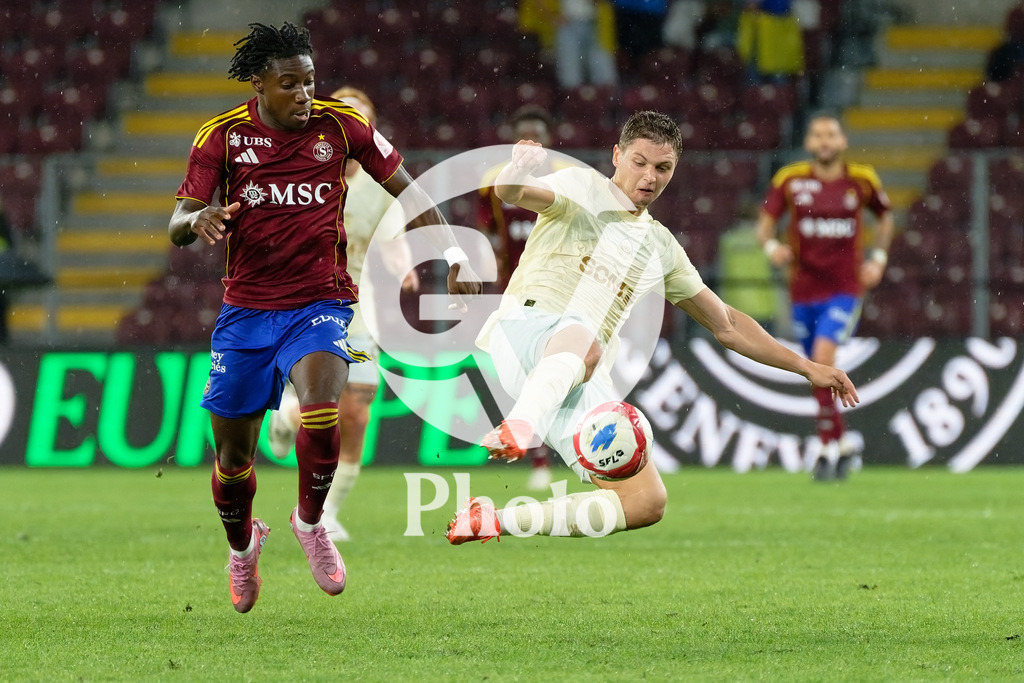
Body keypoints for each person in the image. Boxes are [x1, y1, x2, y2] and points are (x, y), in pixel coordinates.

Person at [168, 22, 480, 612]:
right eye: (289, 84)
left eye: (309, 81)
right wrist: (197, 222)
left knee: (321, 411)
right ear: (259, 83)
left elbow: (410, 189)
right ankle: (242, 549)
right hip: (247, 312)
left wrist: (457, 252)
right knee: (233, 462)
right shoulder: (222, 136)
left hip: (322, 301)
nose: (304, 93)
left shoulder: (341, 126)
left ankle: (310, 523)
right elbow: (178, 222)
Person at [446, 111, 858, 544]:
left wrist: (806, 367)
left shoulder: (660, 246)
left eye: (663, 168)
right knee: (585, 339)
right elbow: (513, 192)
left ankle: (492, 521)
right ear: (616, 155)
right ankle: (521, 423)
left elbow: (728, 324)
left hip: (577, 374)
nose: (649, 176)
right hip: (525, 331)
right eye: (639, 162)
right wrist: (516, 168)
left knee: (645, 502)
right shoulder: (579, 186)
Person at [267, 86, 419, 541]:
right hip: (307, 299)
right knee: (324, 408)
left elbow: (393, 236)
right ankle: (287, 415)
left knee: (355, 415)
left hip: (359, 302)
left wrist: (403, 261)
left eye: (363, 117)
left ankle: (324, 513)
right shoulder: (301, 169)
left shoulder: (380, 184)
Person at [756, 112, 893, 481]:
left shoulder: (861, 180)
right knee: (816, 371)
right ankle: (844, 442)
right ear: (809, 143)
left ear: (843, 141)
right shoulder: (790, 180)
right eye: (818, 134)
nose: (825, 140)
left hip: (845, 289)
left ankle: (826, 446)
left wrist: (878, 259)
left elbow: (885, 218)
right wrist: (772, 249)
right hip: (802, 290)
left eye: (831, 134)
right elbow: (765, 225)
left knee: (821, 358)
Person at [477, 106, 564, 492]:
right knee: (530, 376)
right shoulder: (493, 183)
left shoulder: (565, 179)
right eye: (523, 136)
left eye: (537, 136)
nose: (531, 143)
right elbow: (489, 236)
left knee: (555, 372)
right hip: (515, 293)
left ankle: (559, 454)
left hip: (562, 289)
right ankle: (541, 457)